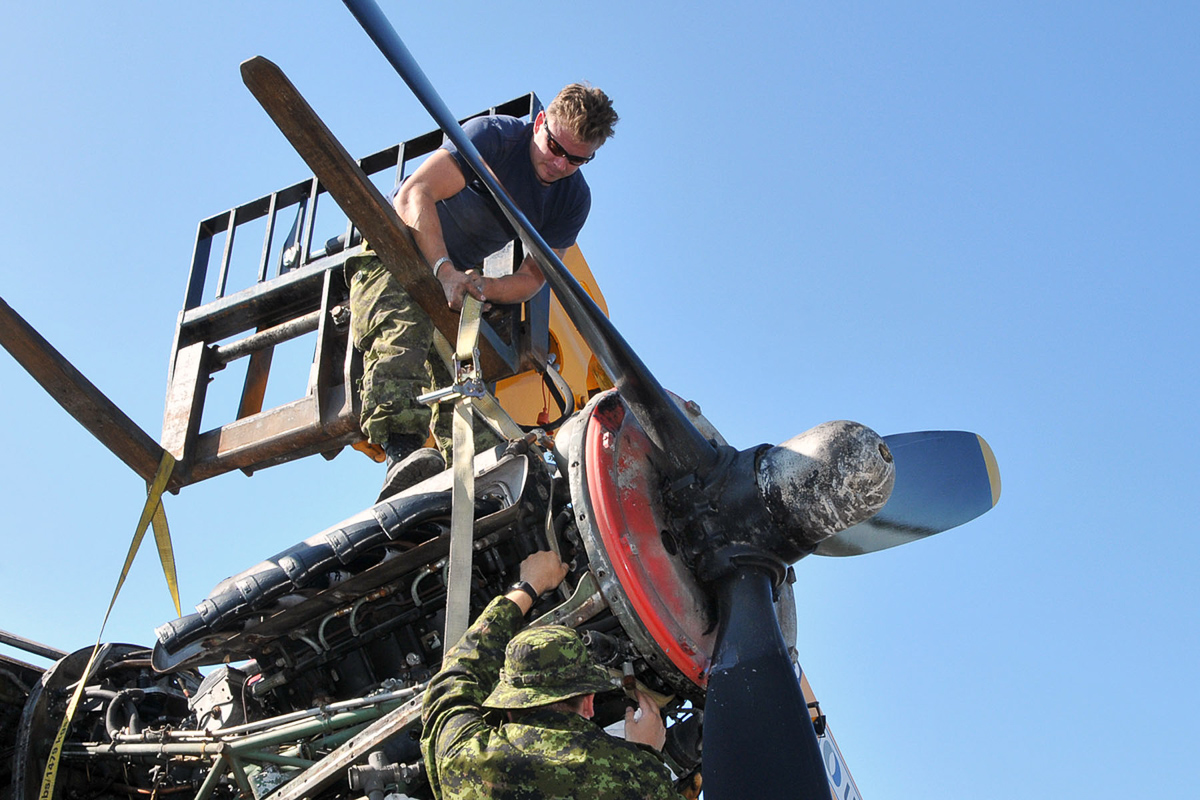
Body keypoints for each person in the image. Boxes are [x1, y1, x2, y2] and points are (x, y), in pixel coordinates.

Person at [348, 84, 618, 501]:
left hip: (452, 284)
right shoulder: (493, 138)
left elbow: (533, 278)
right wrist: (444, 270)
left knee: (467, 389)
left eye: (577, 159)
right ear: (540, 122)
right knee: (399, 335)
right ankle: (402, 454)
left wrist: (483, 285)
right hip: (397, 250)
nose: (559, 163)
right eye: (555, 148)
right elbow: (415, 194)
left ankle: (478, 488)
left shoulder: (572, 199)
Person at [421, 551, 684, 800]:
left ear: (510, 704)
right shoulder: (637, 778)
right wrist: (646, 753)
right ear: (589, 702)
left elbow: (455, 677)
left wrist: (528, 586)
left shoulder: (465, 760)